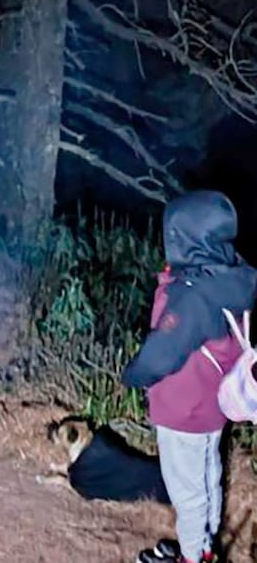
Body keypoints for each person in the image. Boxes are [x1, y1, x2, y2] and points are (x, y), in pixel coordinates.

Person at [123, 191, 257, 563]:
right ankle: (203, 544)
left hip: (184, 409)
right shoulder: (231, 277)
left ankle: (193, 557)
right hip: (212, 404)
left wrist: (134, 375)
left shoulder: (194, 294)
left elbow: (163, 352)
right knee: (207, 475)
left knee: (188, 491)